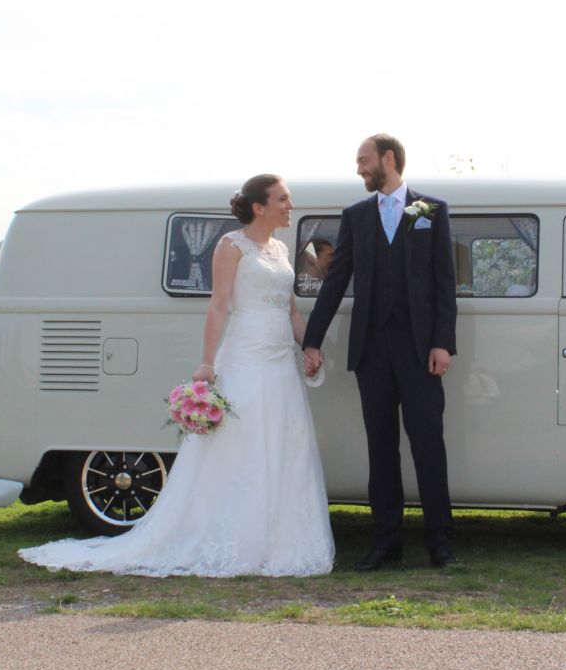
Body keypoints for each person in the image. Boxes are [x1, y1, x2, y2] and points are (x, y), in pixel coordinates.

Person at [19, 175, 335, 578]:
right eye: (283, 199)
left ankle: (277, 538)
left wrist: (309, 347)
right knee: (241, 445)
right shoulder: (231, 245)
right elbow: (218, 305)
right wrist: (207, 364)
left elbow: (289, 311)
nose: (290, 205)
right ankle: (232, 536)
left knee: (282, 442)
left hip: (278, 361)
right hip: (246, 356)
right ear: (259, 207)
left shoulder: (281, 250)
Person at [302, 133, 458, 570]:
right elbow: (336, 280)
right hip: (372, 349)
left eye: (363, 160)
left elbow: (444, 282)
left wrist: (442, 342)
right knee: (381, 445)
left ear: (388, 159)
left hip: (420, 349)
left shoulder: (430, 210)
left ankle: (439, 541)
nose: (359, 169)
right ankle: (386, 540)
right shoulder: (356, 216)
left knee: (428, 443)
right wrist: (312, 339)